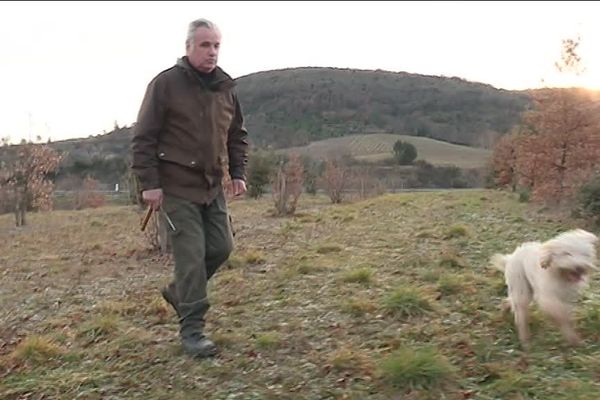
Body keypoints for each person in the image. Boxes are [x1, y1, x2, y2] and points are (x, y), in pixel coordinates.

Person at [131, 18, 248, 358]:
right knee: (191, 257)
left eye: (216, 46)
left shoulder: (226, 88)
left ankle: (179, 292)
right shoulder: (165, 85)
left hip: (212, 185)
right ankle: (193, 330)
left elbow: (236, 135)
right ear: (188, 48)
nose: (211, 52)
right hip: (176, 186)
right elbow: (143, 137)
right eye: (204, 45)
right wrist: (149, 184)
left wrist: (238, 171)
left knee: (222, 248)